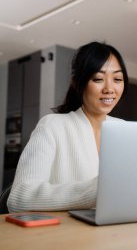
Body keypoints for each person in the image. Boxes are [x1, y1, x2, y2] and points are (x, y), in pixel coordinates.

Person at [7, 42, 128, 212]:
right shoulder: (52, 126)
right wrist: (96, 191)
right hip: (69, 236)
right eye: (98, 79)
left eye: (117, 79)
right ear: (80, 83)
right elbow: (19, 197)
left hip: (118, 231)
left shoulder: (125, 131)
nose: (109, 89)